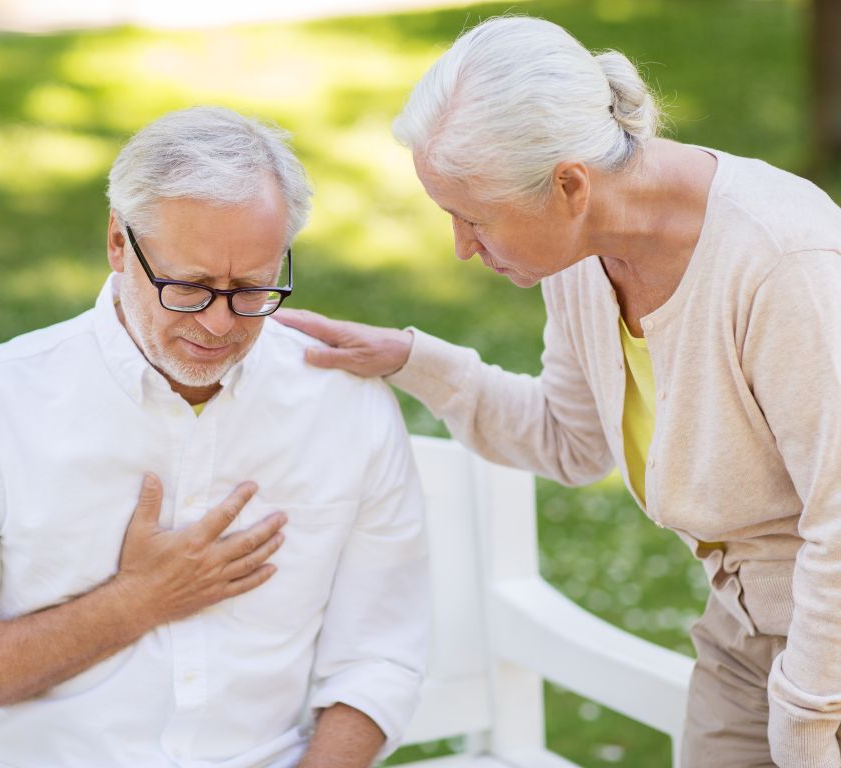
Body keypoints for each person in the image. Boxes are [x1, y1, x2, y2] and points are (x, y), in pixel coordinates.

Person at [276, 15, 841, 768]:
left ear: (571, 184)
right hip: (746, 628)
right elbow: (569, 440)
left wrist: (807, 724)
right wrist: (411, 359)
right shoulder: (586, 257)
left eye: (473, 218)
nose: (462, 248)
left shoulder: (783, 262)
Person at [0, 106, 428, 768]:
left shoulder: (344, 403)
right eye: (188, 287)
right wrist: (131, 605)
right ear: (116, 242)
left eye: (250, 289)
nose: (219, 324)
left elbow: (379, 658)